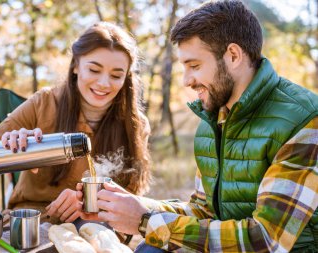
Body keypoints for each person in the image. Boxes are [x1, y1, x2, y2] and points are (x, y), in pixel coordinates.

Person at [77, 1, 318, 252]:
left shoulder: (304, 121)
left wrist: (144, 221)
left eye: (194, 66)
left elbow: (267, 241)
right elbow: (202, 212)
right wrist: (130, 205)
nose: (186, 80)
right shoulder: (213, 119)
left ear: (233, 56)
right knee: (151, 248)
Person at [0, 22, 151, 225]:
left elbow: (130, 203)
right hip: (31, 224)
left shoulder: (136, 125)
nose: (104, 83)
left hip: (96, 228)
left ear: (126, 77)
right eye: (94, 70)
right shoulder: (43, 104)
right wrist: (6, 151)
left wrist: (87, 204)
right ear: (76, 66)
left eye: (116, 75)